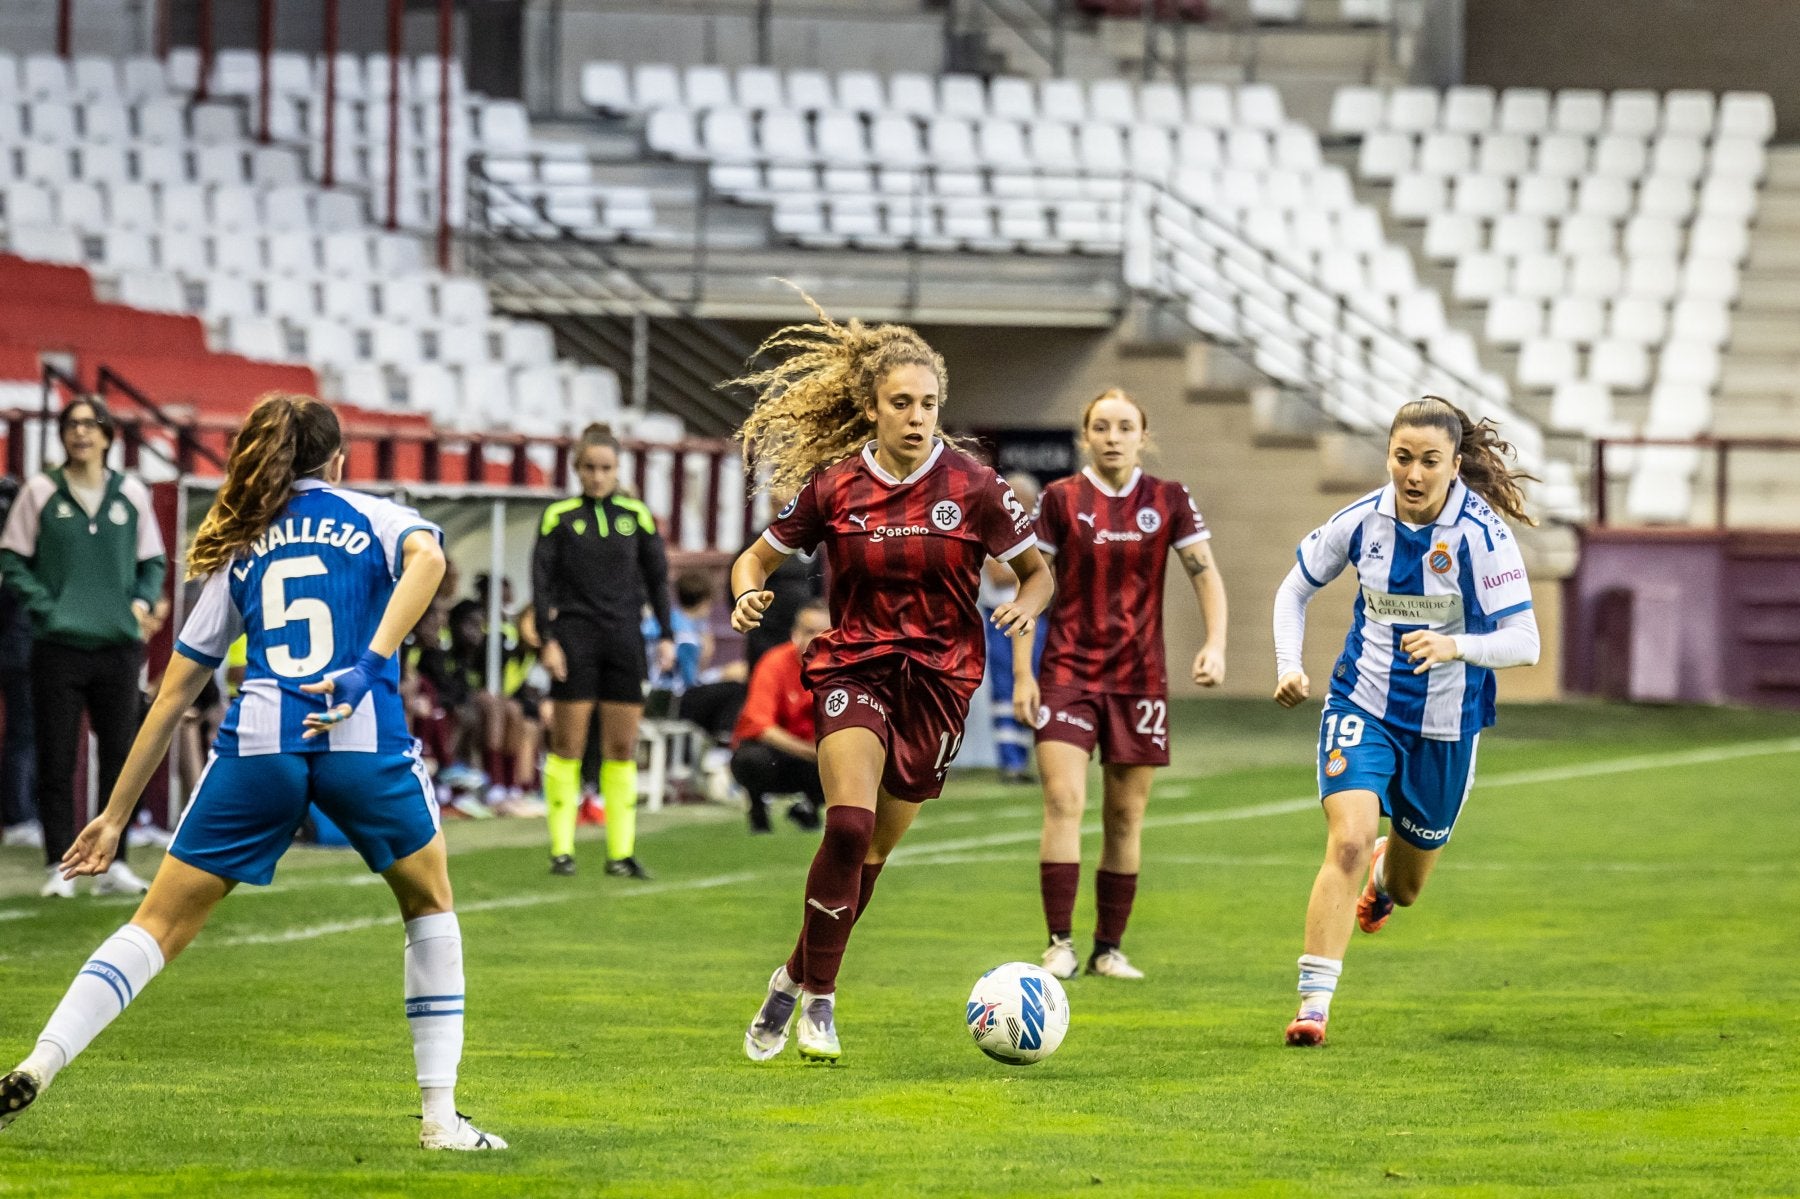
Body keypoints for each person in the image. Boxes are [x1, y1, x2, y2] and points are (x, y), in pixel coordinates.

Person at [0, 393, 505, 1150]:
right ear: (338, 460)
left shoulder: (244, 541)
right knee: (429, 905)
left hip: (261, 741)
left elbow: (173, 694)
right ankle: (440, 1117)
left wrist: (111, 815)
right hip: (360, 736)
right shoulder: (375, 513)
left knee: (158, 924)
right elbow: (429, 559)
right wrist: (367, 666)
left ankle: (42, 1058)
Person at [726, 291, 1052, 1064]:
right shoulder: (836, 487)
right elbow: (758, 555)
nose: (917, 415)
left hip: (940, 682)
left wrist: (1025, 608)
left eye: (929, 403)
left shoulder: (975, 486)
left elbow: (1037, 574)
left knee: (871, 856)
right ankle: (824, 1003)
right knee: (848, 824)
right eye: (901, 402)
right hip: (857, 665)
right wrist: (747, 591)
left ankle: (791, 977)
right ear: (871, 408)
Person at [1272, 397, 1539, 1047]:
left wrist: (1457, 645)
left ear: (1453, 465)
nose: (1413, 474)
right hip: (1360, 703)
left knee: (1408, 886)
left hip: (1447, 727)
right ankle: (1313, 1005)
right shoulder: (1364, 520)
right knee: (1347, 840)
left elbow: (1525, 641)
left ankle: (1390, 874)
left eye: (1428, 461)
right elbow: (1295, 587)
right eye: (1401, 458)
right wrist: (1289, 663)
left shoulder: (1482, 535)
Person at [1012, 388, 1228, 982]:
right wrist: (1024, 671)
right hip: (1067, 674)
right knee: (1062, 801)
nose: (1112, 436)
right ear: (1086, 436)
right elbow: (1032, 584)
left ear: (1142, 434)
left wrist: (1216, 643)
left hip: (1140, 681)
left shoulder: (1169, 499)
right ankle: (1059, 943)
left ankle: (1109, 948)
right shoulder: (1060, 499)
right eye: (1101, 426)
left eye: (1124, 426)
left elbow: (1204, 574)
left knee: (1125, 818)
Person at [0, 397, 167, 898]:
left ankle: (113, 862)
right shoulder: (41, 490)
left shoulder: (131, 491)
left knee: (121, 757)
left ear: (108, 435)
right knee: (56, 758)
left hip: (118, 647)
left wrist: (140, 602)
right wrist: (46, 607)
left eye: (90, 425)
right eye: (71, 426)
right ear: (62, 435)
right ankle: (59, 863)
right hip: (58, 646)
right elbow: (11, 558)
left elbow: (153, 561)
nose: (80, 434)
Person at [532, 422, 673, 878]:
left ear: (617, 469)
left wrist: (667, 635)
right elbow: (541, 584)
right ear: (577, 469)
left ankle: (620, 852)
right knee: (568, 744)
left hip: (624, 639)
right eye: (589, 468)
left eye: (606, 468)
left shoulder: (639, 515)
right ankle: (561, 849)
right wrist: (546, 641)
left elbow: (657, 581)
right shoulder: (559, 517)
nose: (597, 476)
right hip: (574, 638)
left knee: (621, 745)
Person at [730, 598, 830, 834]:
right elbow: (759, 724)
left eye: (823, 633)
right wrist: (809, 751)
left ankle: (810, 806)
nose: (815, 639)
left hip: (821, 753)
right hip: (782, 753)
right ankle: (757, 807)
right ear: (795, 634)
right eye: (809, 632)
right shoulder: (774, 662)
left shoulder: (845, 668)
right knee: (751, 759)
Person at [978, 470, 1047, 784]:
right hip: (1003, 617)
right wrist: (1037, 572)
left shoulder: (1039, 531)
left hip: (1034, 613)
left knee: (1037, 684)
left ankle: (1033, 756)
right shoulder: (994, 527)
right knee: (1007, 688)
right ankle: (1011, 761)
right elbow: (1001, 575)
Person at [740, 486, 825, 675]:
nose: (782, 510)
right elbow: (739, 585)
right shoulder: (756, 543)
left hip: (802, 631)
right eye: (777, 505)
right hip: (766, 632)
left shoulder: (808, 541)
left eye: (787, 505)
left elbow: (817, 585)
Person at [0, 475, 39, 848]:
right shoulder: (24, 546)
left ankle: (21, 813)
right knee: (23, 735)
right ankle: (19, 815)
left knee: (24, 735)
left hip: (18, 648)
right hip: (20, 650)